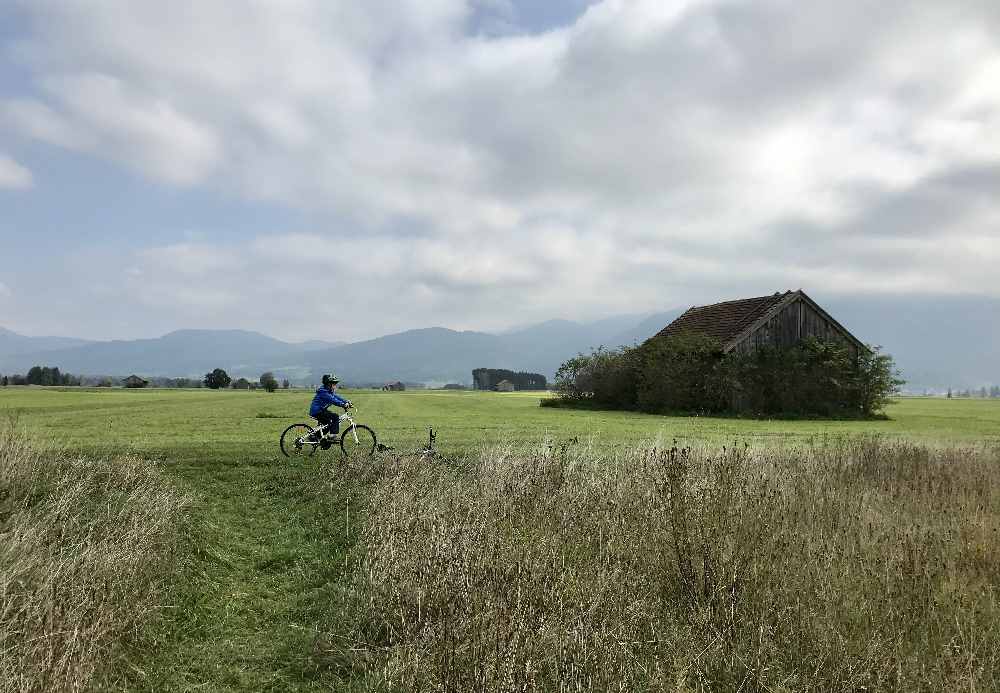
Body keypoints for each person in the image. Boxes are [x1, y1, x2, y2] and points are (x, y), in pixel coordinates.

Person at [310, 374, 352, 440]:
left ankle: (315, 437)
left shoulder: (328, 391)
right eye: (334, 384)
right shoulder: (323, 392)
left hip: (321, 410)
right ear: (328, 384)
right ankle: (332, 436)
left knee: (329, 424)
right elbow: (333, 400)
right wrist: (343, 405)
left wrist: (346, 401)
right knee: (335, 417)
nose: (335, 385)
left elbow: (337, 397)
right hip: (317, 411)